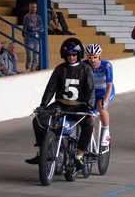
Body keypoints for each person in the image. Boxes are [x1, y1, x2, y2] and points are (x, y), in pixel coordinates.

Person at [25, 37, 95, 170]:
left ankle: (79, 155)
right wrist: (43, 105)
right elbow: (51, 87)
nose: (71, 57)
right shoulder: (60, 69)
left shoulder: (86, 69)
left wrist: (89, 106)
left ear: (79, 55)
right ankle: (42, 151)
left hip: (79, 106)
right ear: (64, 55)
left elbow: (91, 89)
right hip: (61, 104)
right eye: (69, 55)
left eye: (74, 55)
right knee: (38, 120)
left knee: (89, 124)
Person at [84, 44, 115, 147]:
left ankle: (106, 133)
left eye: (95, 57)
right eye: (90, 57)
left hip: (104, 91)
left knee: (101, 108)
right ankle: (88, 140)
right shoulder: (84, 65)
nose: (92, 60)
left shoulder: (107, 65)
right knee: (89, 117)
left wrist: (105, 101)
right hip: (92, 92)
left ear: (99, 56)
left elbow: (109, 86)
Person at [23, 2, 43, 71]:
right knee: (30, 56)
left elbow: (42, 28)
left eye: (35, 7)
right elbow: (29, 27)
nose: (34, 9)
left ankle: (33, 69)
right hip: (29, 38)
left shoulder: (38, 17)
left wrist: (35, 28)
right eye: (33, 7)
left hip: (36, 39)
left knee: (36, 56)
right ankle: (28, 69)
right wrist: (37, 28)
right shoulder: (26, 16)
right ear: (29, 7)